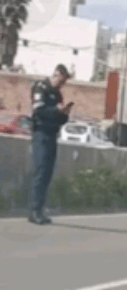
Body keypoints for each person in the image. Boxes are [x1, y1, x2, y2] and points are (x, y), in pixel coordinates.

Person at [28, 64, 72, 224]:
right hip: (41, 134)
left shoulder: (57, 95)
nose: (63, 84)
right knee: (40, 172)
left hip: (52, 135)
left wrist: (64, 115)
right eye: (62, 79)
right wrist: (56, 112)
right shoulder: (41, 87)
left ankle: (40, 209)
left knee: (47, 173)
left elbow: (60, 120)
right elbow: (39, 110)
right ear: (56, 74)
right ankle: (34, 211)